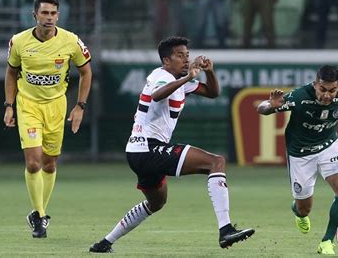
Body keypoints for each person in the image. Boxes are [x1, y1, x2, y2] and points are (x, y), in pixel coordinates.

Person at [89, 36, 254, 253]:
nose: (186, 60)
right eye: (179, 56)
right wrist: (187, 78)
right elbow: (157, 95)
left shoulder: (180, 80)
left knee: (156, 203)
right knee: (216, 162)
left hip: (139, 153)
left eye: (187, 55)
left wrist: (209, 72)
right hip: (148, 148)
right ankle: (226, 230)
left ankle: (104, 243)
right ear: (166, 61)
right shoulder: (161, 76)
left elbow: (213, 93)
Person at [257, 65, 338, 255]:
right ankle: (298, 211)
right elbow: (261, 109)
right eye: (323, 90)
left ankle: (327, 241)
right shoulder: (299, 96)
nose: (327, 95)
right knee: (304, 208)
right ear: (315, 84)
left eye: (332, 90)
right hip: (301, 154)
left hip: (329, 146)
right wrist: (270, 106)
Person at [3, 0, 92, 238]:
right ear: (34, 15)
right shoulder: (19, 42)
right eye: (44, 13)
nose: (49, 17)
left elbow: (86, 72)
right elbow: (11, 74)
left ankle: (40, 213)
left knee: (50, 164)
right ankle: (40, 216)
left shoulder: (71, 41)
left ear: (58, 15)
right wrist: (9, 105)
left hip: (56, 106)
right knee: (33, 162)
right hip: (28, 105)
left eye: (53, 13)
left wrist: (79, 107)